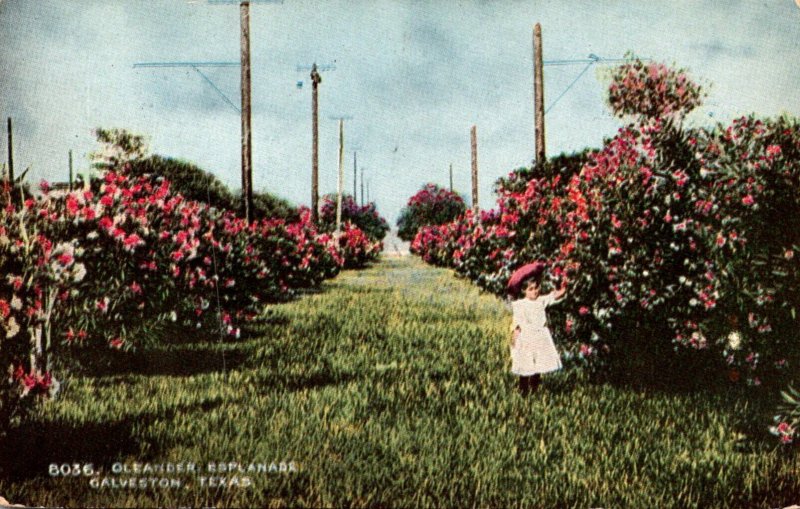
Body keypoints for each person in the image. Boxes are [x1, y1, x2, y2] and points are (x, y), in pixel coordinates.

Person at [509, 263, 566, 395]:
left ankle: (534, 389)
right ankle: (523, 390)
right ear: (524, 291)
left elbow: (554, 296)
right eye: (531, 289)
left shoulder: (540, 301)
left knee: (539, 363)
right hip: (527, 338)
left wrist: (564, 288)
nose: (535, 291)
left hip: (540, 337)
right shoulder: (520, 304)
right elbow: (517, 323)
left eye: (536, 288)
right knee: (526, 364)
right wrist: (515, 339)